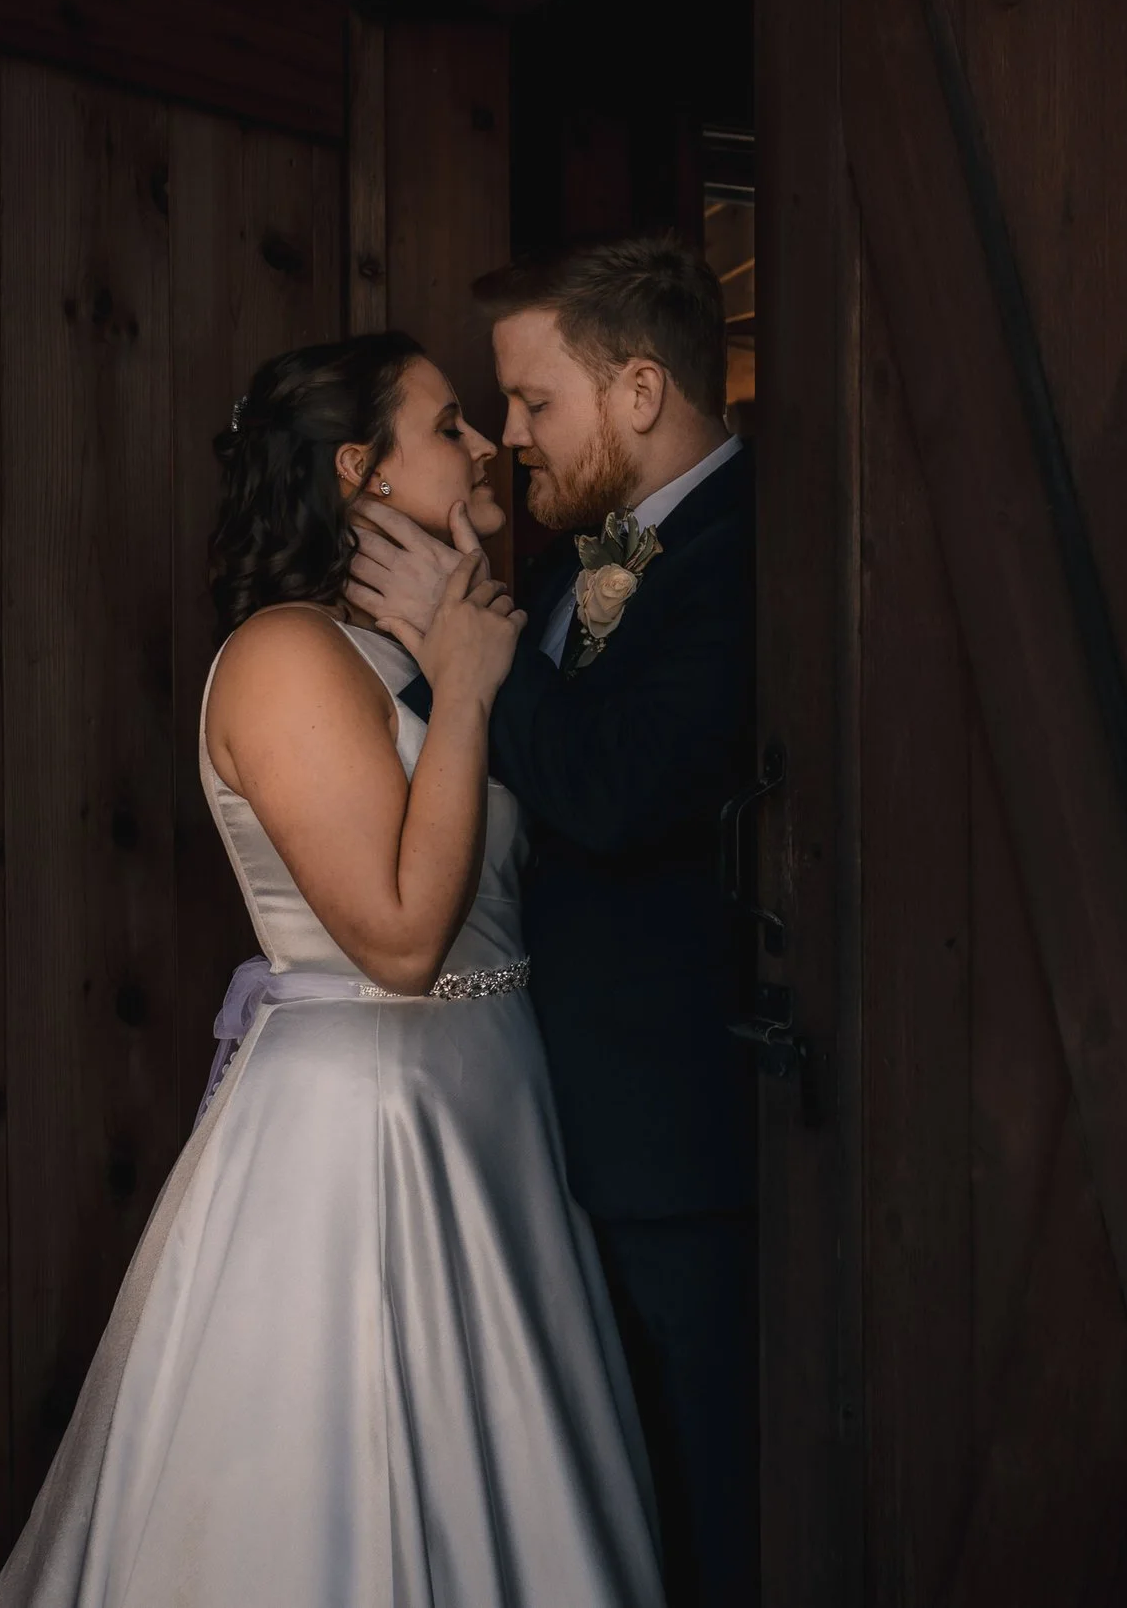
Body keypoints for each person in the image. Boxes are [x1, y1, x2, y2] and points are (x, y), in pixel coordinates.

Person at [0, 332, 662, 1606]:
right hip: (370, 1133)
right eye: (449, 425)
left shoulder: (424, 643)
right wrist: (465, 695)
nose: (483, 447)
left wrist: (461, 665)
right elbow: (403, 940)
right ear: (360, 469)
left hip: (492, 1107)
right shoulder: (287, 656)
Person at [348, 236, 756, 1608]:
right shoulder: (587, 562)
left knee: (702, 1513)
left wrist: (473, 665)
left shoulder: (753, 548)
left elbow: (620, 786)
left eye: (533, 403)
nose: (508, 439)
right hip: (549, 1120)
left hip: (675, 1133)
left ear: (639, 389)